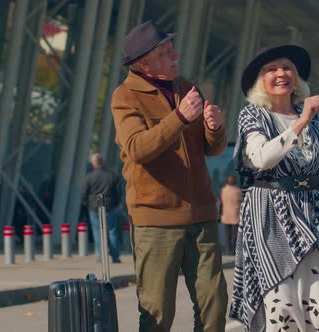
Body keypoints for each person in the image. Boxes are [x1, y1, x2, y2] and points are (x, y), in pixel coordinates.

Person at [229, 45, 319, 331]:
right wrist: (301, 123)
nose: (281, 74)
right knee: (283, 306)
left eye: (287, 67)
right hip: (271, 215)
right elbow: (262, 158)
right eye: (271, 69)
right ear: (259, 81)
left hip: (314, 213)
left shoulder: (311, 116)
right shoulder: (253, 115)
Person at [110, 21, 228, 331]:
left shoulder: (187, 88)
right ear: (143, 63)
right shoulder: (125, 97)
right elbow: (137, 148)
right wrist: (179, 118)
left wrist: (215, 128)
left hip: (202, 214)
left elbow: (209, 149)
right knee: (157, 313)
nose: (174, 56)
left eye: (171, 50)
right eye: (165, 53)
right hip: (156, 221)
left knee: (214, 306)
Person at [82, 153, 122, 263]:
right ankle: (115, 256)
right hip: (110, 206)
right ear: (102, 162)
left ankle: (101, 255)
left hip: (94, 207)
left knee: (97, 231)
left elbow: (84, 193)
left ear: (93, 164)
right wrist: (117, 203)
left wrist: (87, 203)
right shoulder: (112, 176)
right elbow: (118, 193)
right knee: (112, 231)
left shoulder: (89, 177)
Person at [220, 175, 242, 255]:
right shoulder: (238, 191)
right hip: (235, 215)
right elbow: (241, 202)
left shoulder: (223, 190)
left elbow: (221, 203)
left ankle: (228, 250)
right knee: (235, 234)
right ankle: (233, 250)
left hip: (226, 215)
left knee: (227, 234)